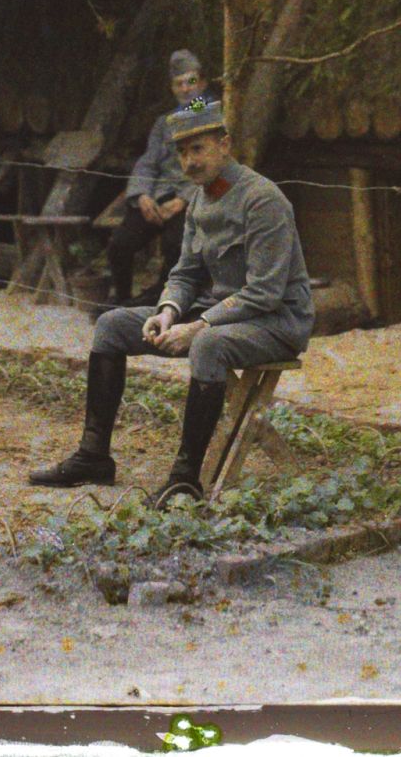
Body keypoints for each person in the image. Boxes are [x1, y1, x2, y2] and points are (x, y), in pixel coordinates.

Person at [30, 97, 313, 505]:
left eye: (197, 149)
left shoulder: (262, 200)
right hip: (223, 314)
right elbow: (185, 273)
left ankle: (185, 478)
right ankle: (94, 455)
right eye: (181, 152)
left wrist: (198, 326)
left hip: (276, 321)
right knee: (111, 325)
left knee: (208, 344)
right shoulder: (200, 199)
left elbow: (265, 292)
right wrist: (168, 312)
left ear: (224, 144)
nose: (188, 162)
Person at [106, 49, 215, 308]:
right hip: (158, 198)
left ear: (202, 83)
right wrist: (142, 195)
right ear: (172, 88)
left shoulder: (211, 117)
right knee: (120, 244)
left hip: (192, 200)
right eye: (179, 84)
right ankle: (122, 301)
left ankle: (161, 300)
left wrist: (182, 201)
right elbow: (147, 162)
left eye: (191, 82)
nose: (186, 89)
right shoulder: (164, 123)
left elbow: (212, 169)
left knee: (175, 245)